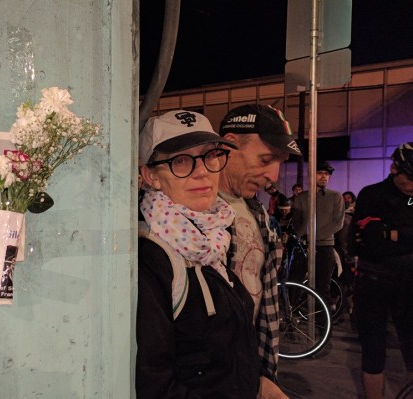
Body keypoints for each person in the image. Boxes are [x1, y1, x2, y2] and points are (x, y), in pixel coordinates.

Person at [136, 110, 260, 398]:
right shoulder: (151, 258)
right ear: (150, 176)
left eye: (210, 156)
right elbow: (154, 382)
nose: (202, 170)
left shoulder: (213, 240)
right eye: (180, 161)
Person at [217, 103, 301, 398]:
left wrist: (261, 373)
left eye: (279, 162)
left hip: (251, 366)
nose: (274, 175)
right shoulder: (189, 217)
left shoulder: (258, 212)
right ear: (228, 144)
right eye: (265, 159)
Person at [350, 142, 413, 399]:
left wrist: (392, 233)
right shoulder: (371, 194)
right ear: (394, 168)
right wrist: (402, 237)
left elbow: (379, 236)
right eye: (409, 178)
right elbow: (367, 240)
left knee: (411, 344)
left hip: (409, 281)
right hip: (373, 279)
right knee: (373, 348)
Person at [291, 160, 345, 310]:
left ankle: (324, 328)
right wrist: (302, 237)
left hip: (325, 246)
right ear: (312, 175)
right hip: (304, 246)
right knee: (295, 283)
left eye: (326, 174)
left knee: (323, 288)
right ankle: (290, 319)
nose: (323, 177)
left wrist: (312, 236)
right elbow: (297, 223)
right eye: (320, 173)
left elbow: (337, 223)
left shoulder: (336, 196)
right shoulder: (301, 197)